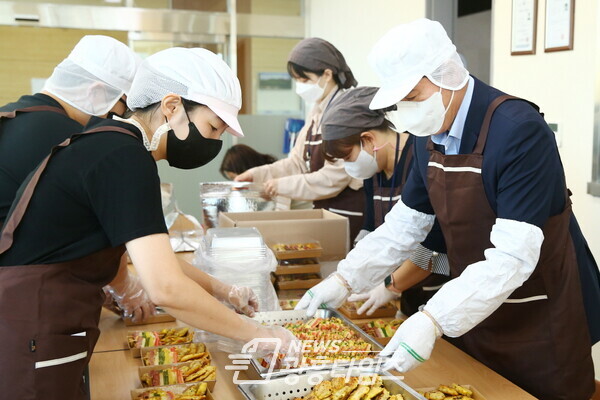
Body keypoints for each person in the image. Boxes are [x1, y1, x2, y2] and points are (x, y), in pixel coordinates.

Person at [296, 19, 599, 400]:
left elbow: (513, 257)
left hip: (540, 312)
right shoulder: (429, 138)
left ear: (448, 75)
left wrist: (433, 318)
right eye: (399, 100)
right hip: (477, 305)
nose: (405, 108)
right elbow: (404, 226)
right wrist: (345, 279)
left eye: (413, 95)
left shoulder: (519, 130)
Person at [0, 47, 298, 399]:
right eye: (213, 127)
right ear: (172, 107)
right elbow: (165, 287)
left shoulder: (111, 144)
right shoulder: (123, 158)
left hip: (40, 322)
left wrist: (224, 291)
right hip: (33, 328)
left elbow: (158, 260)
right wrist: (257, 334)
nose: (215, 142)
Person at [0, 35, 155, 323]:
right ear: (97, 92)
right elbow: (102, 225)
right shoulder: (70, 141)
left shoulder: (13, 116)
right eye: (122, 107)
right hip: (21, 303)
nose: (119, 117)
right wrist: (126, 287)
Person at [319, 86, 450, 317]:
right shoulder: (374, 169)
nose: (348, 166)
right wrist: (351, 274)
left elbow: (434, 245)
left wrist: (390, 286)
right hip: (402, 296)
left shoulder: (420, 157)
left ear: (368, 139)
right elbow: (371, 228)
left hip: (437, 292)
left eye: (348, 156)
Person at [235, 38, 366, 241]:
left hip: (348, 214)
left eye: (304, 80)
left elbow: (333, 179)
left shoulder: (346, 111)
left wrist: (279, 186)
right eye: (296, 80)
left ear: (327, 74)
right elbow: (296, 162)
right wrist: (257, 174)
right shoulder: (316, 111)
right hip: (325, 211)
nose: (300, 86)